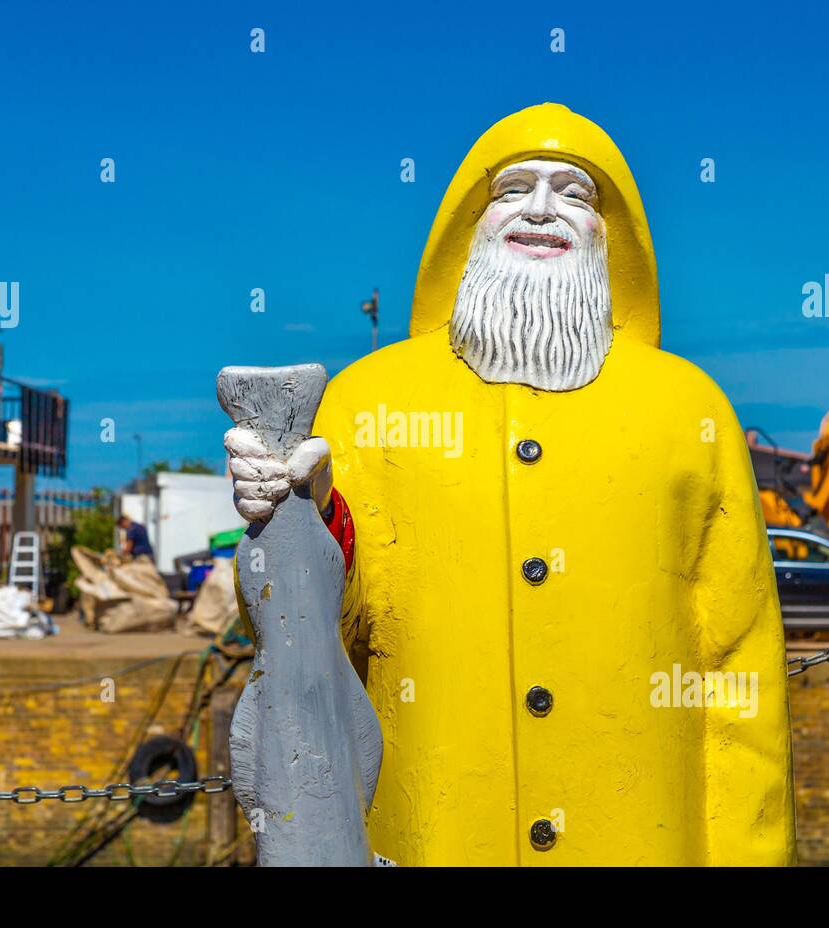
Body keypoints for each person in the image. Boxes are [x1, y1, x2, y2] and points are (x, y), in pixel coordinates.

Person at [225, 104, 795, 866]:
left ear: (610, 233)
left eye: (576, 192)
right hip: (429, 834)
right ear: (469, 224)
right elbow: (317, 641)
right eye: (515, 186)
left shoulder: (688, 408)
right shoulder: (367, 402)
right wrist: (304, 518)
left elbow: (738, 669)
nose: (541, 207)